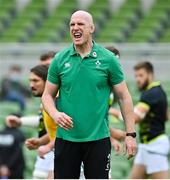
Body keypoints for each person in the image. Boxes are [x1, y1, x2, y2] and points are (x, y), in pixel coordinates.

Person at [42, 10, 137, 179]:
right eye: (72, 24)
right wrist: (55, 114)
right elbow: (47, 95)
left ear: (92, 28)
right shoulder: (59, 59)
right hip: (66, 139)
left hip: (98, 140)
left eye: (80, 24)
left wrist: (130, 135)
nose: (75, 28)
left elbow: (124, 96)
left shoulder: (108, 59)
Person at [110, 61, 169, 179]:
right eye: (136, 76)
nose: (137, 79)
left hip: (155, 146)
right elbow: (167, 116)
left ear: (150, 74)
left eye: (141, 75)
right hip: (145, 147)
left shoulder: (151, 94)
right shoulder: (159, 90)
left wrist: (109, 111)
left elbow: (133, 118)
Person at [6, 65, 54, 179]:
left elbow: (68, 131)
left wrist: (48, 146)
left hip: (68, 155)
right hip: (54, 154)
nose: (31, 85)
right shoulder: (45, 102)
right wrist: (40, 141)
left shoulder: (58, 101)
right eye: (30, 81)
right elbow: (53, 129)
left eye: (35, 81)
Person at [0, 114, 25, 179]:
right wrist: (7, 167)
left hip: (4, 169)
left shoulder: (1, 133)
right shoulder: (19, 134)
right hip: (15, 169)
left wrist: (2, 166)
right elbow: (17, 153)